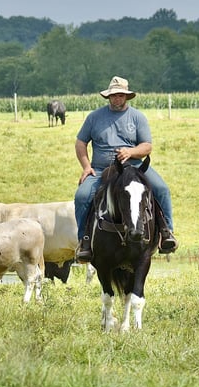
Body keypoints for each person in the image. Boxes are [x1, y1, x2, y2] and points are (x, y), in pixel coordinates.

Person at [74, 76, 177, 263]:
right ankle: (84, 241)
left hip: (135, 167)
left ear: (127, 97)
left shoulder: (137, 117)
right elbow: (81, 142)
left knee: (161, 189)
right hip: (101, 168)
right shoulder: (94, 117)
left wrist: (130, 152)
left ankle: (166, 232)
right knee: (82, 196)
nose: (117, 99)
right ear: (108, 97)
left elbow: (147, 146)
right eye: (114, 96)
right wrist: (86, 167)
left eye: (121, 95)